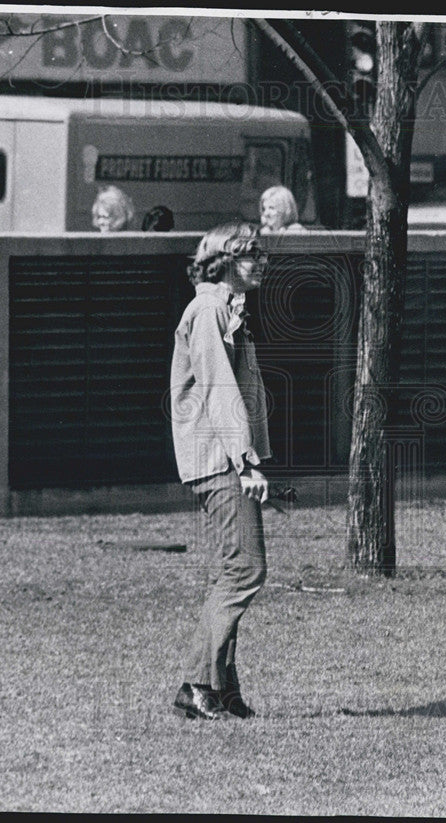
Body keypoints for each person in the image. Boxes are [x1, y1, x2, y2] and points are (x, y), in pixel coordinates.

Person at [169, 220, 272, 721]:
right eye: (252, 254)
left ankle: (223, 688)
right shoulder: (208, 309)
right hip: (221, 460)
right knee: (245, 570)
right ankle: (196, 683)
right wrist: (246, 461)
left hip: (222, 458)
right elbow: (219, 390)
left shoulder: (224, 308)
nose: (261, 262)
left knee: (236, 570)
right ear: (226, 259)